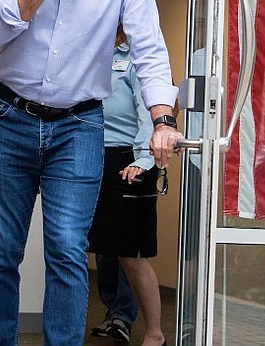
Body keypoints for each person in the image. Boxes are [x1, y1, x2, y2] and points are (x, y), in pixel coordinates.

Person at [0, 0, 183, 345]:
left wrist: (162, 118)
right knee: (2, 251)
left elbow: (149, 46)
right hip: (11, 116)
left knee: (68, 250)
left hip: (79, 126)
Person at [88, 25, 167, 346]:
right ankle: (115, 316)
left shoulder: (135, 58)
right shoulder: (89, 57)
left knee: (130, 255)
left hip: (129, 160)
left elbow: (150, 113)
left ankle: (155, 334)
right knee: (95, 248)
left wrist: (143, 161)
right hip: (88, 153)